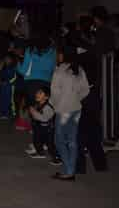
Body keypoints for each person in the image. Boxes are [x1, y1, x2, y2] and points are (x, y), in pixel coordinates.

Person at [50, 47, 90, 181]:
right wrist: (75, 98)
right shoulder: (79, 69)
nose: (57, 56)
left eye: (58, 54)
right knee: (72, 141)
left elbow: (54, 93)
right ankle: (70, 170)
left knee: (59, 140)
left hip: (63, 110)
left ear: (63, 55)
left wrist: (56, 105)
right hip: (76, 109)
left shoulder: (59, 71)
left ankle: (68, 170)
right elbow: (86, 90)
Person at [16, 34, 56, 132]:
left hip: (31, 84)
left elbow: (24, 70)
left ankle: (37, 139)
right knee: (44, 110)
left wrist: (18, 64)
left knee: (34, 112)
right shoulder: (53, 51)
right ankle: (45, 137)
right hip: (46, 84)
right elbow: (53, 69)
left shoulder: (30, 50)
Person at [27, 86, 60, 165]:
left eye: (40, 93)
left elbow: (44, 118)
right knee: (37, 140)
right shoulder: (37, 104)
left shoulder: (48, 107)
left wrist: (33, 112)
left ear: (46, 97)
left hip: (48, 129)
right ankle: (40, 152)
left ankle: (57, 158)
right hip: (39, 127)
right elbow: (34, 116)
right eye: (37, 93)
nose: (37, 94)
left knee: (50, 144)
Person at [0, 53, 16, 120]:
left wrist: (7, 82)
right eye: (6, 58)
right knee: (3, 99)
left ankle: (12, 113)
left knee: (10, 100)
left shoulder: (14, 67)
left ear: (11, 60)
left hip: (10, 86)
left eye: (8, 59)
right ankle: (4, 113)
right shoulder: (4, 67)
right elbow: (0, 75)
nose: (6, 60)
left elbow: (14, 77)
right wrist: (0, 80)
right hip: (3, 86)